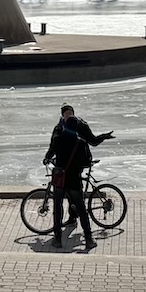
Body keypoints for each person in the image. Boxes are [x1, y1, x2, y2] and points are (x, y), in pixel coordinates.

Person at [43, 104, 114, 249]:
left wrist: (48, 158)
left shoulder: (58, 139)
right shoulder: (81, 143)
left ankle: (57, 239)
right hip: (74, 180)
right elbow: (87, 160)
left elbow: (52, 151)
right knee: (81, 209)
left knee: (57, 208)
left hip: (59, 180)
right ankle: (88, 239)